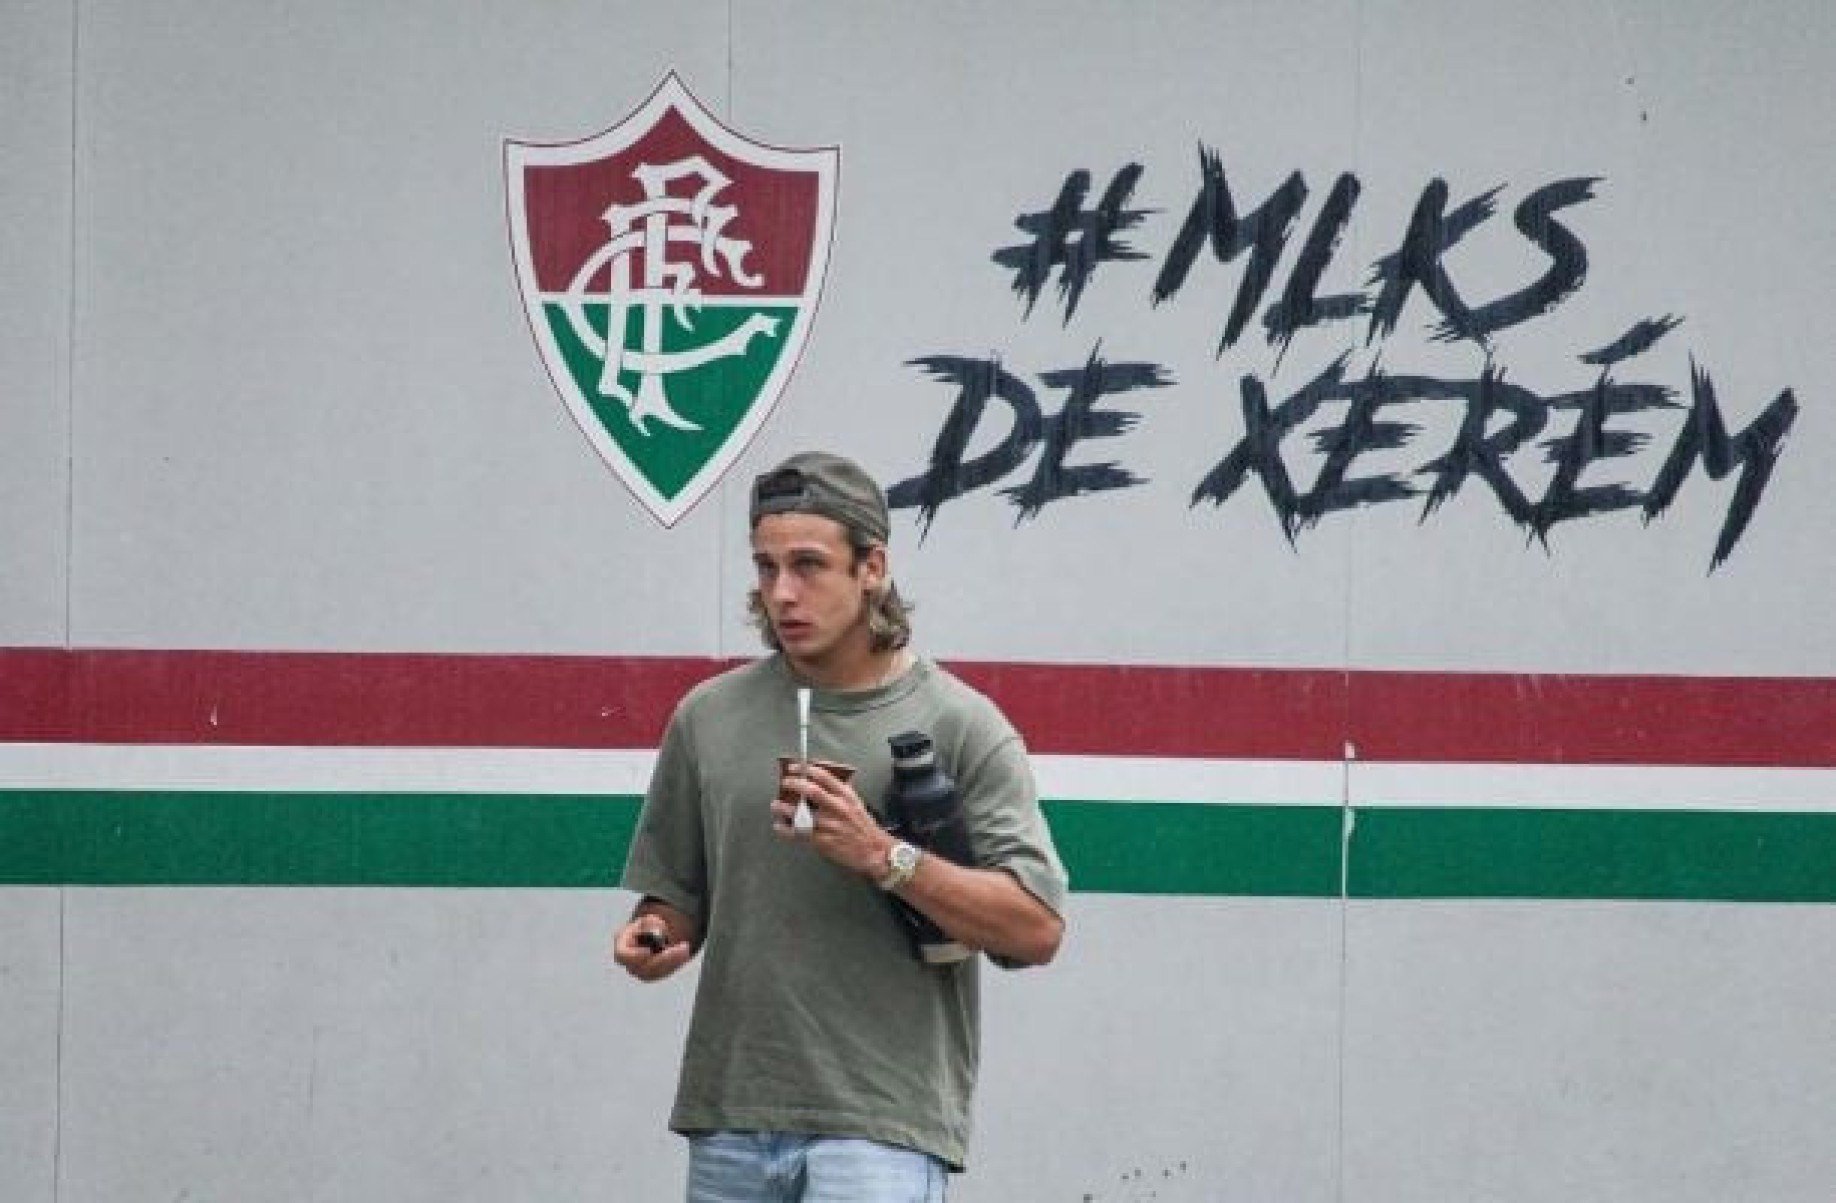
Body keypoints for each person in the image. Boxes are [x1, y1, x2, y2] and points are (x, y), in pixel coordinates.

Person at [613, 450, 1068, 1202]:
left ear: (872, 567)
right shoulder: (708, 716)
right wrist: (654, 933)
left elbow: (1037, 928)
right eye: (766, 567)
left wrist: (884, 855)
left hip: (880, 1124)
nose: (782, 593)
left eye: (809, 565)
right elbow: (677, 897)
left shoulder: (961, 722)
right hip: (730, 1114)